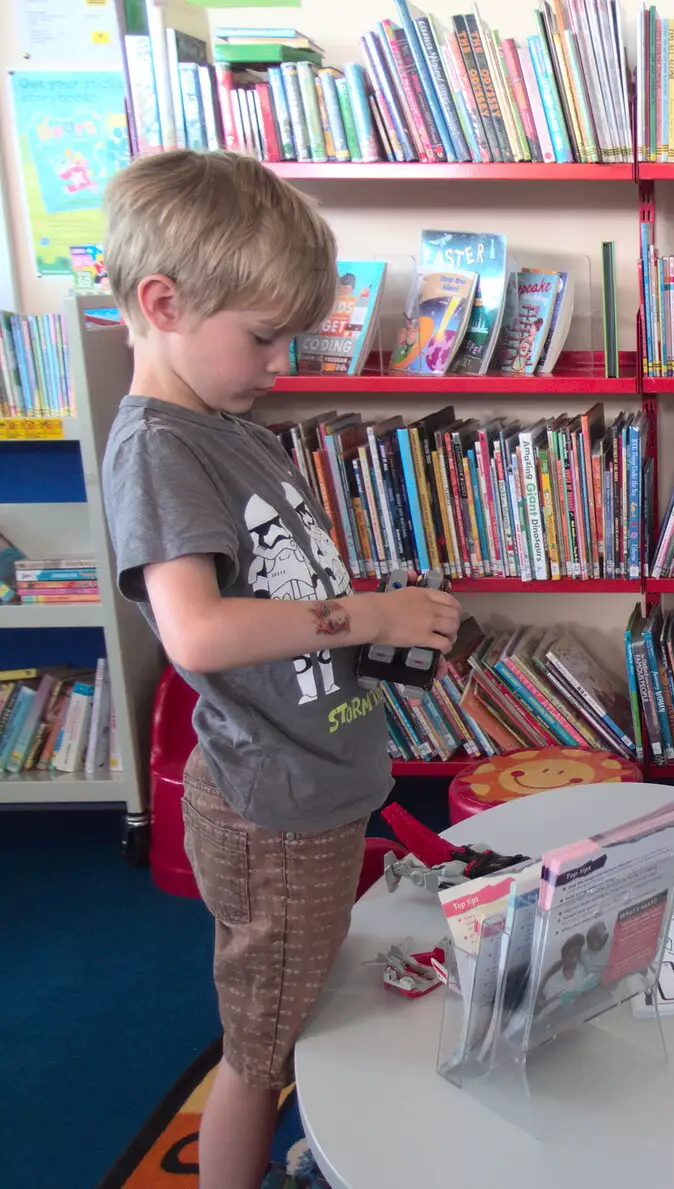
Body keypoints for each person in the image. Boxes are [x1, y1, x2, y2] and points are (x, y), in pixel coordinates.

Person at [99, 150, 462, 1189]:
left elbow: (271, 592)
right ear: (163, 302)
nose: (278, 362)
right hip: (273, 804)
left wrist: (375, 626)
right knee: (258, 1050)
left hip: (308, 774)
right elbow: (199, 634)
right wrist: (369, 611)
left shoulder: (219, 425)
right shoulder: (158, 450)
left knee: (298, 995)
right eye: (261, 337)